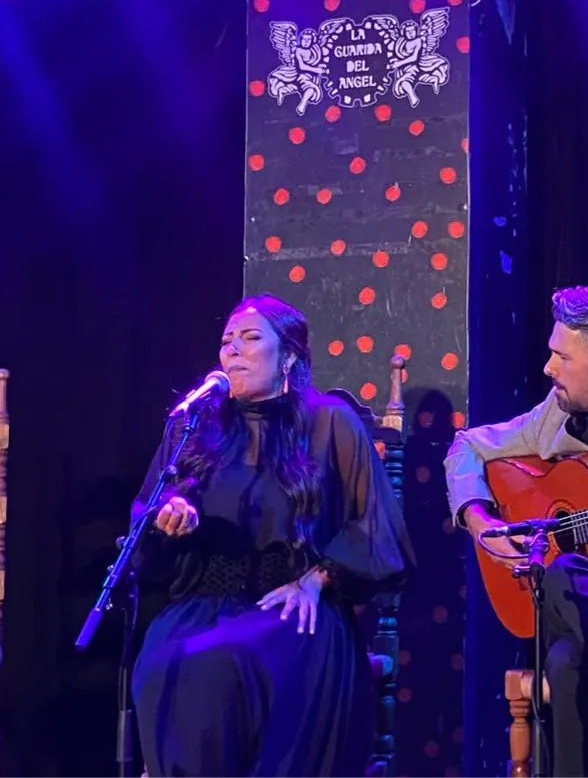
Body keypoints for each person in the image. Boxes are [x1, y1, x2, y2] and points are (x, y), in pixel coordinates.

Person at [129, 294, 413, 777]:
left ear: (288, 357)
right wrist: (170, 516)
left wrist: (317, 580)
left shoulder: (330, 423)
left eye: (250, 338)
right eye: (227, 341)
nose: (233, 349)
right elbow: (147, 514)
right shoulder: (194, 427)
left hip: (294, 604)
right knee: (165, 663)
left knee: (223, 662)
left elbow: (376, 527)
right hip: (203, 604)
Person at [444, 283, 588, 777]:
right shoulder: (555, 418)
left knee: (566, 646)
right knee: (567, 601)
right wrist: (482, 521)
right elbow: (467, 445)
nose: (548, 368)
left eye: (562, 357)